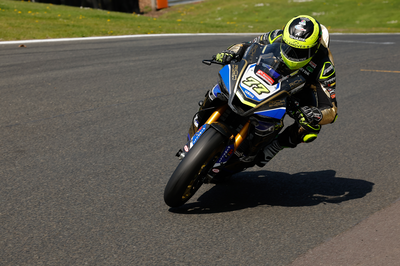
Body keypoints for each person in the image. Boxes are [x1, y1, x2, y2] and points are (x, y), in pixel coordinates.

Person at [189, 15, 338, 167]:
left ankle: (274, 147)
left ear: (313, 48)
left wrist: (317, 114)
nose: (291, 53)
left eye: (298, 51)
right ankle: (200, 119)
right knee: (221, 86)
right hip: (270, 72)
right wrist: (230, 52)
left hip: (299, 92)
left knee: (310, 127)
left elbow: (331, 109)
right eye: (288, 46)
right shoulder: (277, 35)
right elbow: (248, 45)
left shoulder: (325, 66)